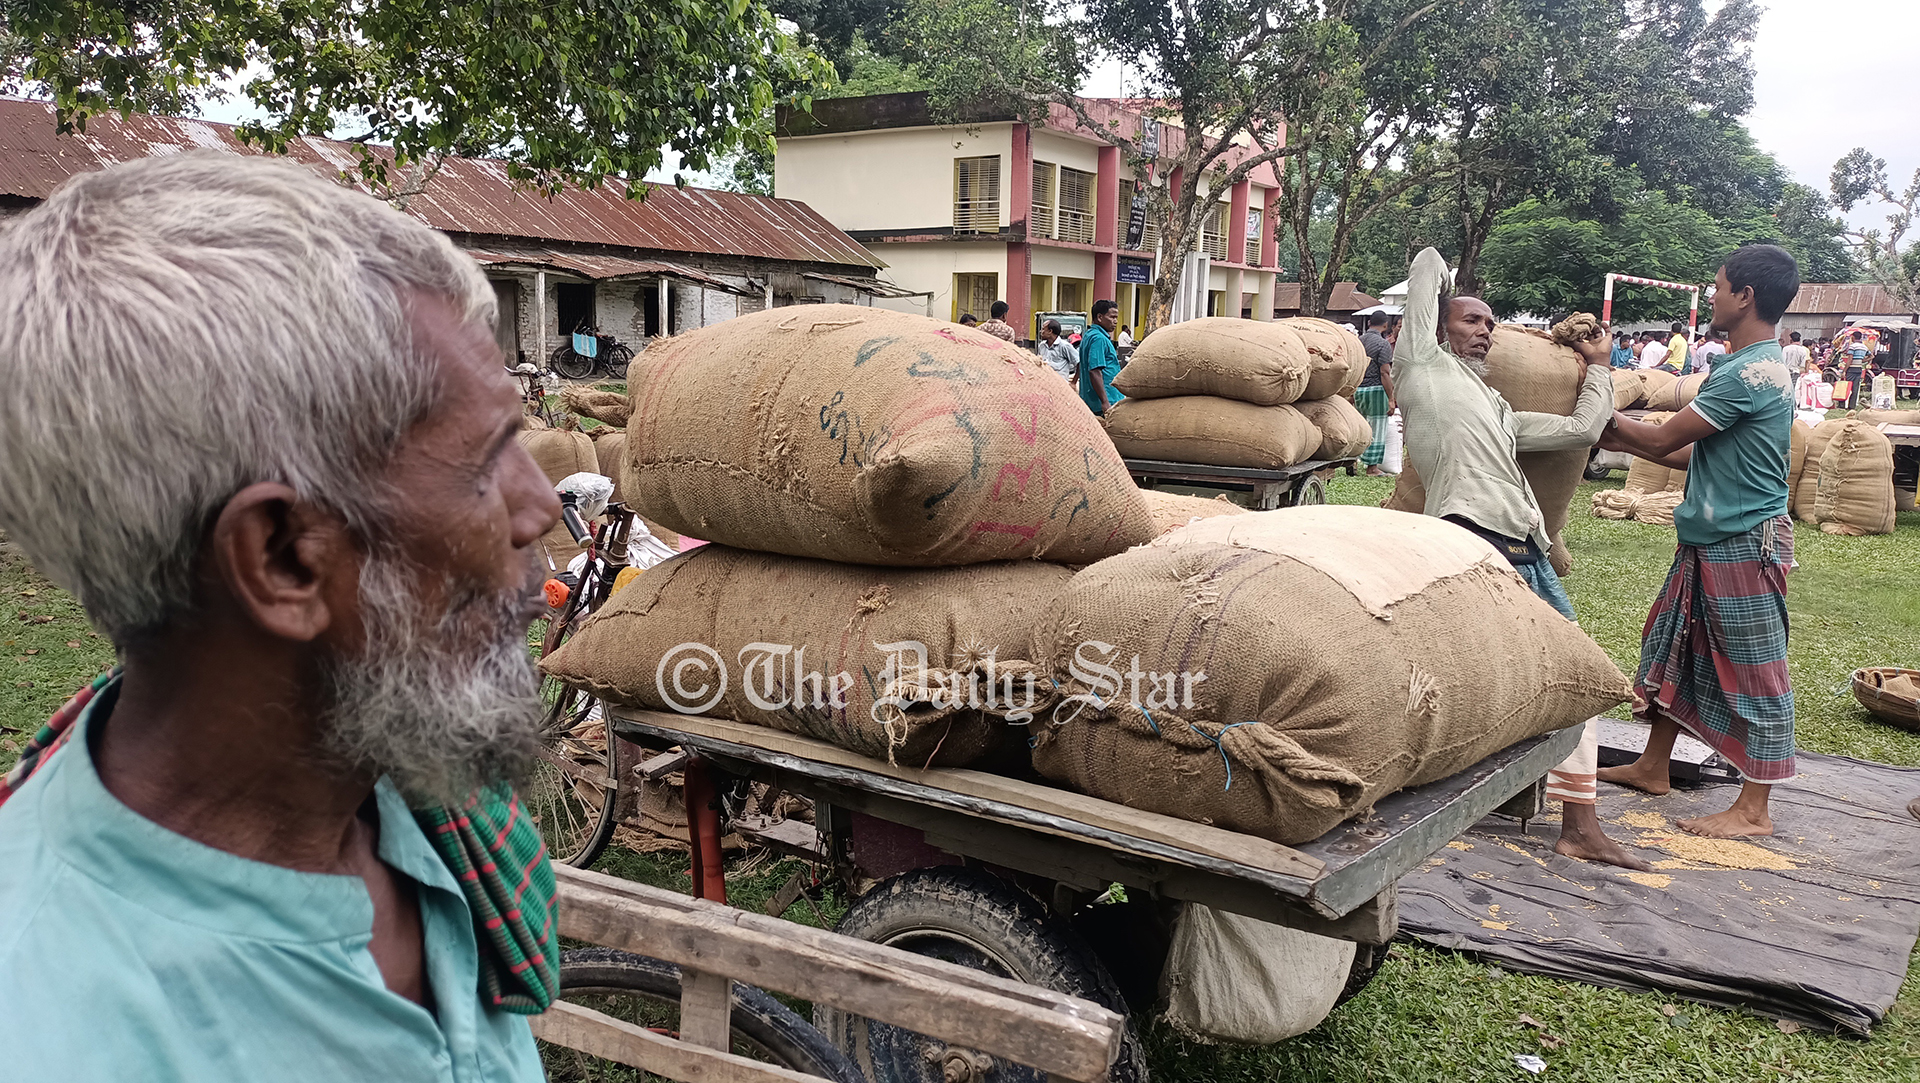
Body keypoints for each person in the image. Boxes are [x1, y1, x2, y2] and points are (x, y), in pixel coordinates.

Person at [0, 154, 558, 1079]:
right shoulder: (50, 1030)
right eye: (488, 458)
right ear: (286, 558)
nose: (538, 504)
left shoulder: (416, 806)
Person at [1394, 247, 1647, 870]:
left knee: (1571, 682)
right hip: (1470, 540)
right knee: (1561, 676)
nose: (1486, 331)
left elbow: (1579, 433)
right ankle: (1576, 825)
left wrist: (1598, 371)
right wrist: (1450, 281)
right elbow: (1427, 265)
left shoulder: (1499, 409)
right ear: (1437, 326)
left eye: (1491, 322)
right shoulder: (1422, 367)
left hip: (1524, 550)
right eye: (1472, 320)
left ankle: (1573, 819)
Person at [1595, 245, 1801, 838]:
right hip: (1712, 536)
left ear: (1745, 297)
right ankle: (1653, 765)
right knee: (1675, 646)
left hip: (1743, 542)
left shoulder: (1749, 372)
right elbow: (1691, 453)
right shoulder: (1754, 367)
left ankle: (1754, 809)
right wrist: (1620, 438)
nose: (1711, 296)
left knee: (1756, 670)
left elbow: (1662, 444)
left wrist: (1596, 398)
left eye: (1717, 286)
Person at [1355, 312, 1398, 475]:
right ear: (1385, 325)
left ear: (1370, 322)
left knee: (1361, 427)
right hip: (1376, 390)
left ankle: (1353, 461)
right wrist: (1391, 398)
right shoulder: (1383, 344)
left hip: (1359, 389)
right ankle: (1372, 467)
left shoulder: (1358, 342)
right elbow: (1385, 372)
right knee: (1377, 428)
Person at [1078, 299, 1124, 417]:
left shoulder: (1089, 335)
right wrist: (1105, 402)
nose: (1115, 321)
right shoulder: (1099, 339)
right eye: (1112, 317)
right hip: (1104, 402)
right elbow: (1094, 370)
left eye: (1116, 317)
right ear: (1099, 317)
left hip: (1091, 400)